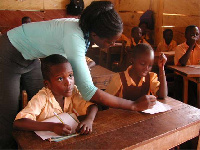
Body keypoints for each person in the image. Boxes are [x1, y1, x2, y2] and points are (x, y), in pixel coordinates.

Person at [0, 1, 156, 148]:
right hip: (9, 52)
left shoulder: (83, 30)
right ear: (95, 35)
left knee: (46, 103)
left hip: (31, 56)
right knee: (8, 114)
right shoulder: (75, 37)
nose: (113, 44)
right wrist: (133, 105)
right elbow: (89, 92)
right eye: (110, 41)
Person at [13, 54, 98, 135]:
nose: (68, 83)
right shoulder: (42, 98)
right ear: (47, 84)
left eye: (70, 75)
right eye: (60, 78)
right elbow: (19, 122)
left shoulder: (73, 92)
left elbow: (92, 106)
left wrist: (89, 120)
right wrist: (52, 127)